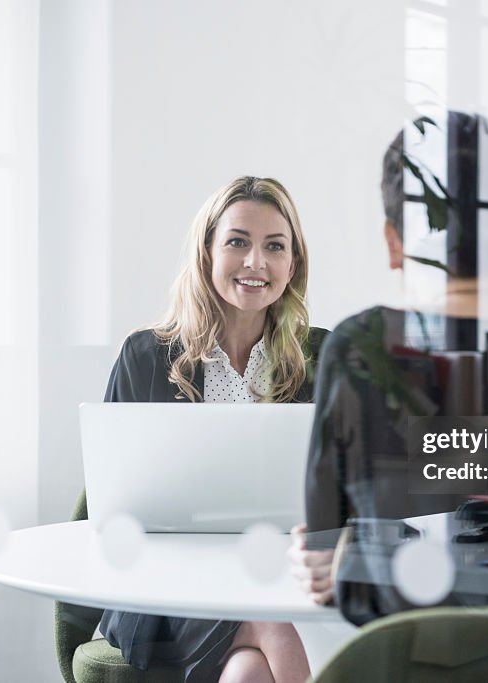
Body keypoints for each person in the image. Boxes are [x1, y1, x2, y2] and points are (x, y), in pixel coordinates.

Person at [288, 111, 488, 619]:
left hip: (405, 659)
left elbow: (326, 555)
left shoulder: (360, 345)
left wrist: (336, 559)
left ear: (394, 242)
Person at [98, 176, 326, 683]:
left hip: (285, 578)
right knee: (275, 628)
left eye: (274, 246)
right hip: (167, 590)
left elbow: (351, 484)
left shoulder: (321, 358)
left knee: (247, 674)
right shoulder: (145, 358)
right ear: (207, 252)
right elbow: (112, 505)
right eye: (238, 242)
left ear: (293, 263)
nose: (255, 263)